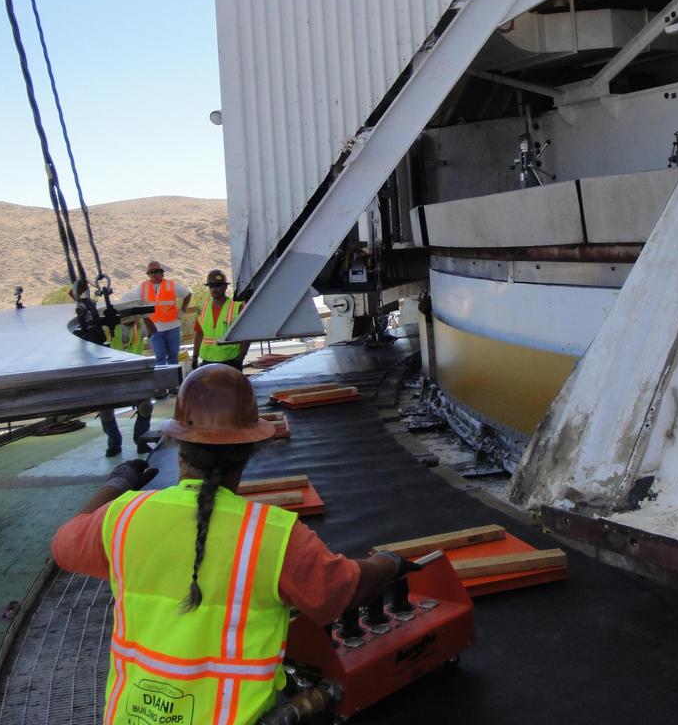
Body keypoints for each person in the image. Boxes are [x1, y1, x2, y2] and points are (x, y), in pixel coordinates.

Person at [51, 365, 415, 725]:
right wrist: (388, 564)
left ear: (179, 447)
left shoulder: (123, 518)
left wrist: (116, 484)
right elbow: (341, 591)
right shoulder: (274, 535)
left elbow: (64, 542)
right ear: (249, 452)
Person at [100, 314, 155, 458]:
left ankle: (141, 441)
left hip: (135, 377)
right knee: (105, 411)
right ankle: (114, 443)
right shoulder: (108, 327)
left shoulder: (140, 325)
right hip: (111, 377)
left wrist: (147, 316)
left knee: (146, 406)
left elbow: (153, 331)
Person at [191, 269, 251, 371]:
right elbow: (199, 334)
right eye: (211, 286)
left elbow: (246, 336)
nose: (214, 289)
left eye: (218, 285)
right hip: (207, 360)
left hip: (230, 360)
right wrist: (195, 357)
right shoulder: (203, 308)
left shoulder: (237, 308)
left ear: (225, 287)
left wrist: (240, 359)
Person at [140, 260, 191, 366]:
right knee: (160, 358)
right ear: (148, 274)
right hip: (155, 330)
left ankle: (173, 381)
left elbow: (187, 295)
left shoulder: (171, 285)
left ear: (161, 272)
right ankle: (162, 381)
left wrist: (182, 311)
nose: (153, 274)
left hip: (172, 328)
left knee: (173, 358)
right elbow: (131, 299)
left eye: (156, 271)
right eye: (151, 272)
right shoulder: (143, 287)